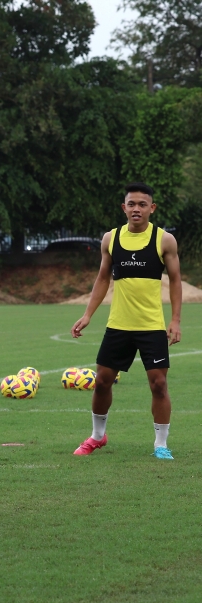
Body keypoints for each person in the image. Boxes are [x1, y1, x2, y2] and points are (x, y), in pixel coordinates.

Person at [71, 182, 182, 459]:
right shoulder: (111, 239)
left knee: (159, 384)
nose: (136, 209)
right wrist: (87, 314)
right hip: (118, 325)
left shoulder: (164, 240)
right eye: (131, 204)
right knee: (102, 381)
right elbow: (102, 278)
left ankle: (160, 444)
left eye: (142, 204)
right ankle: (98, 436)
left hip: (151, 326)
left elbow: (176, 280)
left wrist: (175, 320)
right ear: (124, 207)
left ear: (152, 208)